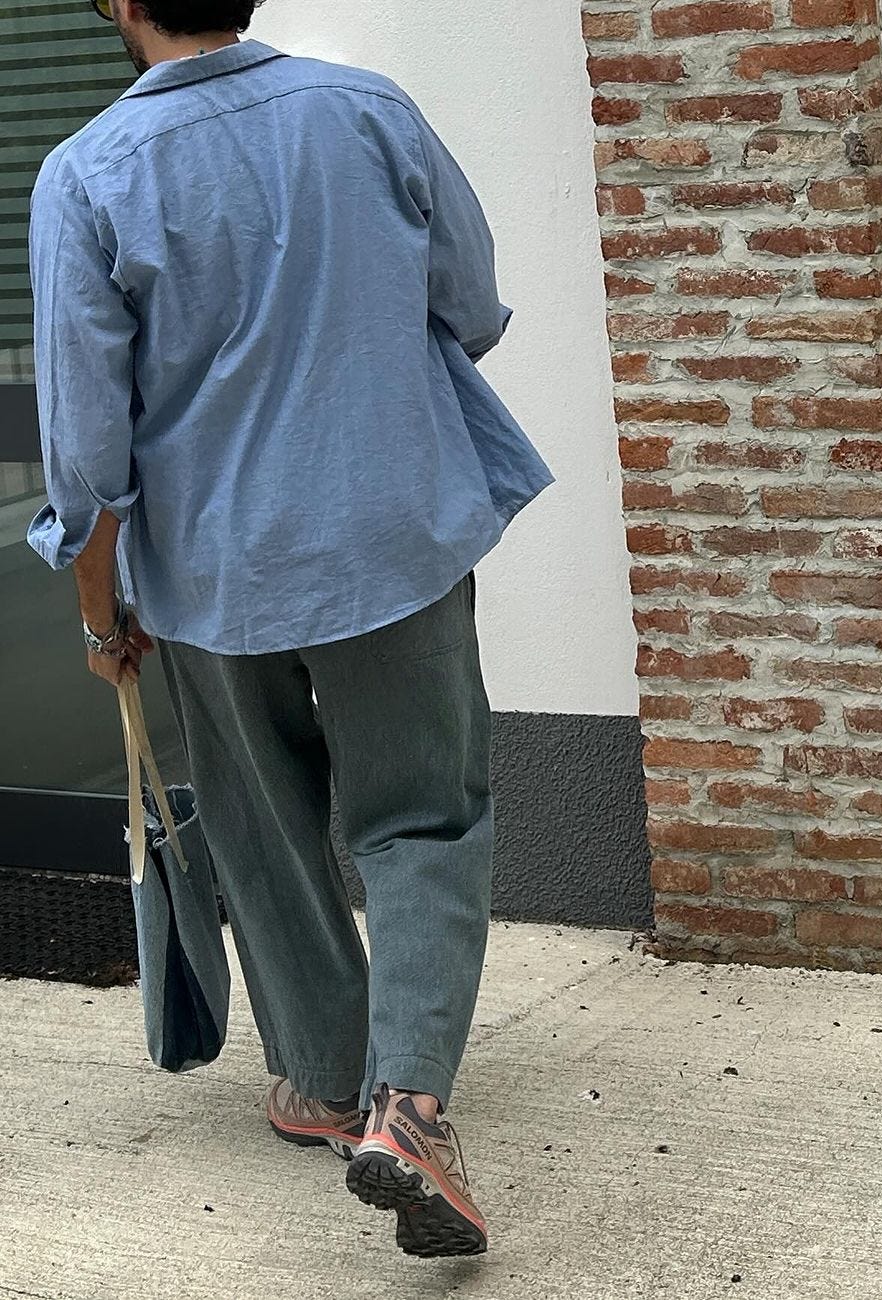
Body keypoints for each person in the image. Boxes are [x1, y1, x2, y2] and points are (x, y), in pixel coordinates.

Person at [27, 0, 552, 1260]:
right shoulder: (370, 112)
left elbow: (86, 452)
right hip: (393, 537)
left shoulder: (87, 172)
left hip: (215, 574)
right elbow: (471, 304)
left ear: (120, 4)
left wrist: (101, 612)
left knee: (264, 832)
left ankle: (324, 1083)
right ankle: (410, 1104)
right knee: (424, 816)